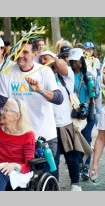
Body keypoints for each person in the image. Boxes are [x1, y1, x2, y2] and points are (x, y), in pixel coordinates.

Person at [0, 39, 63, 173]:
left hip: (45, 137)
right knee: (23, 180)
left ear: (35, 54)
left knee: (48, 178)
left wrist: (40, 90)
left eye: (25, 52)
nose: (20, 55)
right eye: (19, 51)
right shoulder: (6, 74)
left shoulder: (45, 71)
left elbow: (59, 98)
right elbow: (2, 107)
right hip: (19, 138)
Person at [38, 50, 92, 191]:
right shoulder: (38, 76)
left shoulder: (65, 75)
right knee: (51, 161)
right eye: (41, 59)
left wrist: (53, 58)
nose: (43, 61)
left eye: (45, 58)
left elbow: (61, 65)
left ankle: (75, 184)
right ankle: (52, 187)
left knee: (72, 158)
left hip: (65, 123)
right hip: (47, 126)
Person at [68, 48, 98, 180]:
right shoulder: (66, 76)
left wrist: (91, 111)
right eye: (71, 61)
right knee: (75, 142)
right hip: (71, 114)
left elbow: (95, 94)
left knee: (86, 139)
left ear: (81, 61)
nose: (74, 63)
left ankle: (85, 166)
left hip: (87, 114)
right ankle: (78, 165)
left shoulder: (89, 76)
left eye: (76, 60)